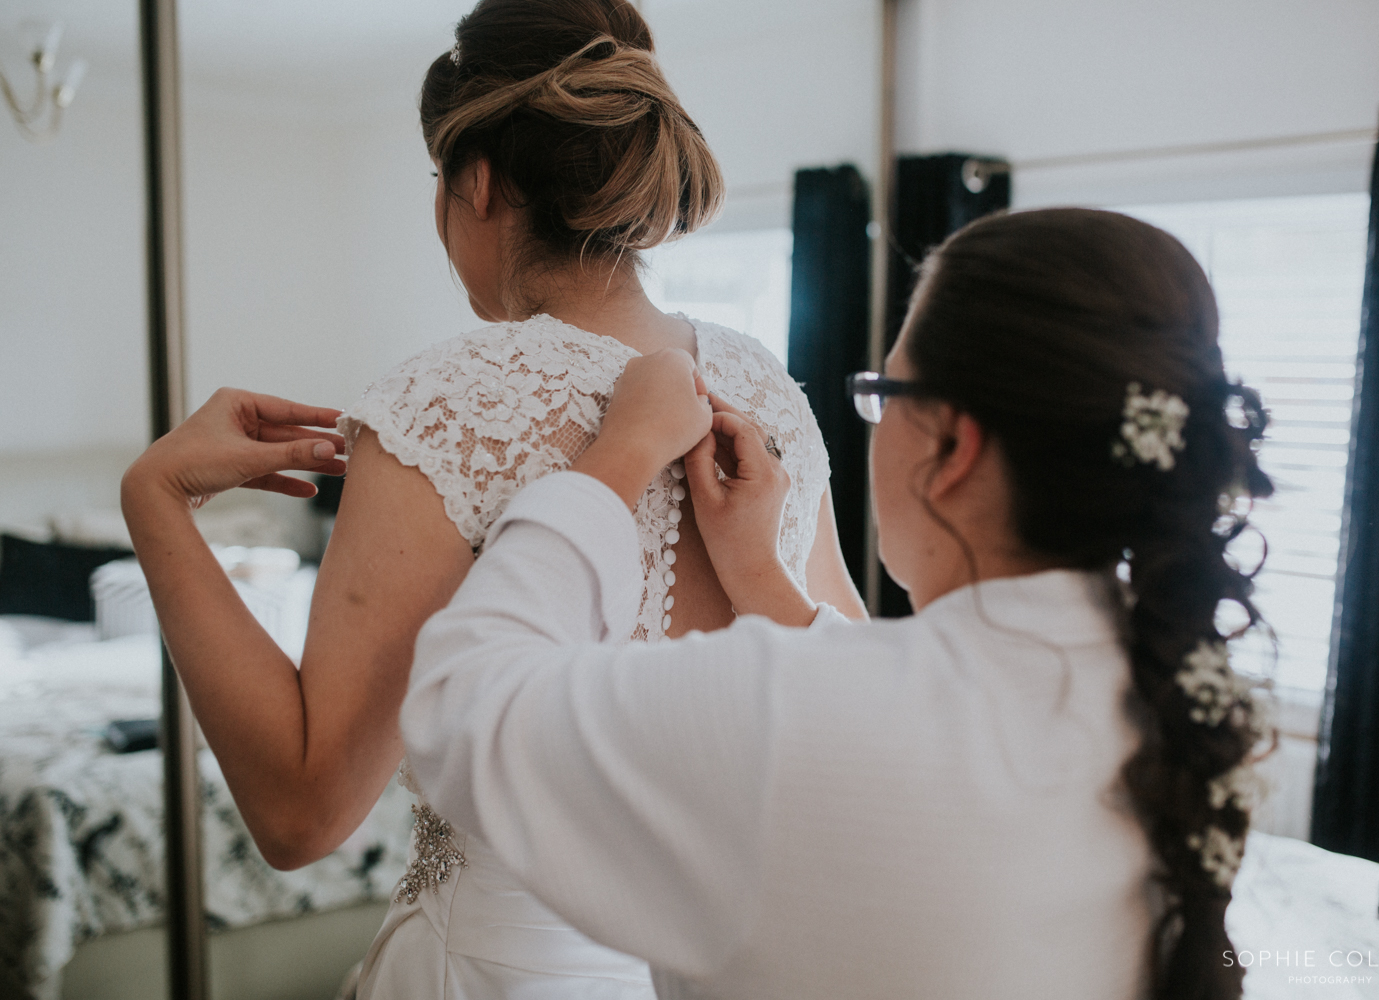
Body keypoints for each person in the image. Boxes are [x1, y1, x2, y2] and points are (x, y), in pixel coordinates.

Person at [120, 1, 864, 997]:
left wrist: (156, 497)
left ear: (475, 184)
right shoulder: (767, 394)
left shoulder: (449, 404)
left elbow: (303, 809)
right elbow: (857, 700)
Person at [398, 207, 1275, 1000]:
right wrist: (762, 582)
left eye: (883, 394)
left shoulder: (788, 719)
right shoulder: (1170, 693)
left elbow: (463, 705)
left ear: (953, 447)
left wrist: (613, 463)